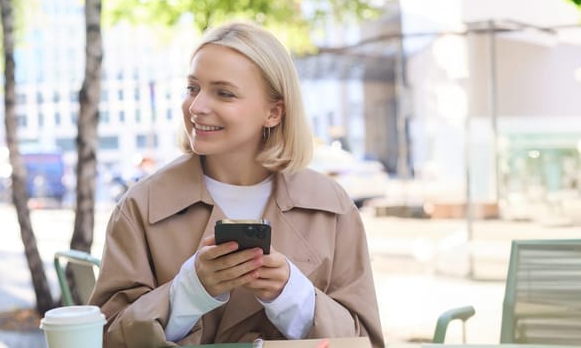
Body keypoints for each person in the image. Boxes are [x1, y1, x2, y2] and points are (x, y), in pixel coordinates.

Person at [89, 22, 384, 347]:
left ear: (273, 112)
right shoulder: (141, 206)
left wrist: (293, 296)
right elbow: (104, 337)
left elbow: (364, 340)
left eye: (224, 93)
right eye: (192, 88)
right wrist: (188, 293)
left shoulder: (333, 207)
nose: (197, 107)